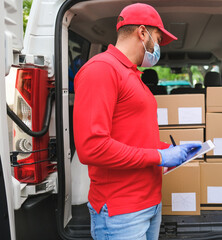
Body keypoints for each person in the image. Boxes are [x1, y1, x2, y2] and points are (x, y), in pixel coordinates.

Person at [73, 3, 201, 240]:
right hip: (121, 212)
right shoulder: (102, 70)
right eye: (158, 39)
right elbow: (92, 148)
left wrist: (169, 150)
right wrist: (160, 157)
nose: (159, 47)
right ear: (142, 33)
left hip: (149, 203)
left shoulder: (132, 74)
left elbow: (133, 135)